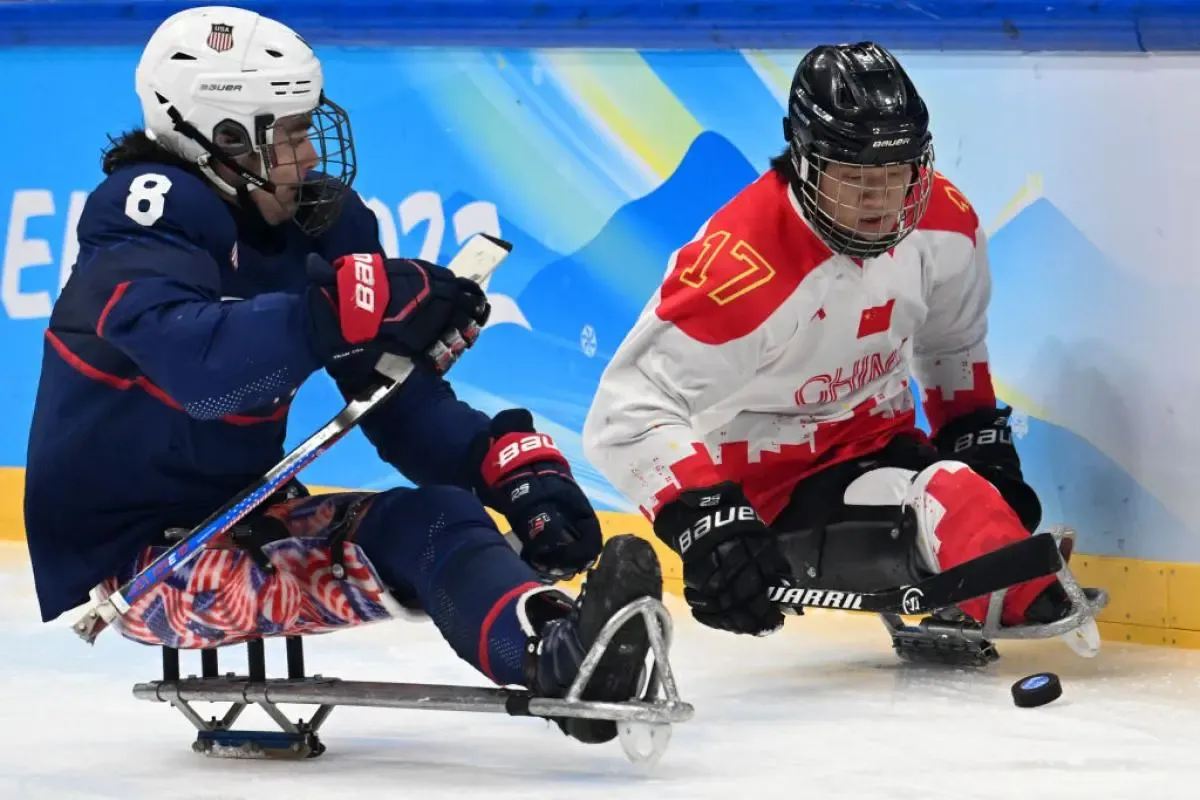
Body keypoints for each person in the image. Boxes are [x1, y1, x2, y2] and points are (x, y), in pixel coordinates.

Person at [24, 5, 663, 745]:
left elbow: (389, 399)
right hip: (139, 560)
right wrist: (345, 312)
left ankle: (561, 653)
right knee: (420, 523)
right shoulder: (144, 218)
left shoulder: (321, 226)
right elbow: (200, 372)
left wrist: (499, 463)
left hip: (240, 511)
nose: (309, 154)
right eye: (289, 132)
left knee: (440, 515)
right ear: (223, 137)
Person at [583, 41, 1094, 649]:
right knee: (955, 499)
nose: (879, 201)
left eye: (895, 173)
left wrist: (976, 437)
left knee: (982, 497)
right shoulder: (742, 267)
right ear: (803, 160)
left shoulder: (945, 222)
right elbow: (624, 413)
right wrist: (711, 526)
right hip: (766, 488)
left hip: (882, 446)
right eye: (853, 178)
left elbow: (952, 345)